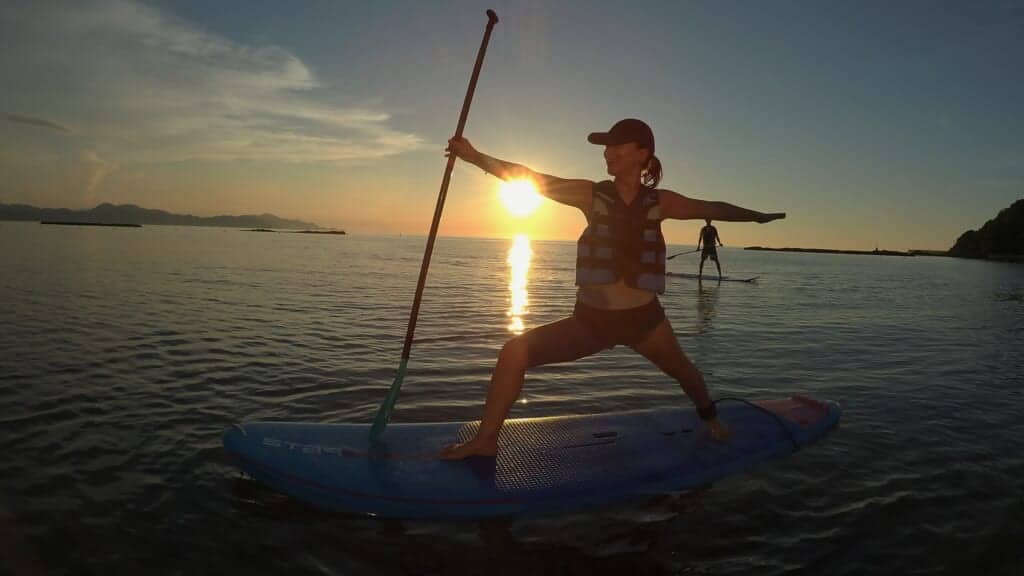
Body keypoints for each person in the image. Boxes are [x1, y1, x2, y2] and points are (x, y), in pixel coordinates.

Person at [440, 119, 785, 459]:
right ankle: (486, 441)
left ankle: (711, 420)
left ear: (642, 153)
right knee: (513, 353)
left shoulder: (661, 202)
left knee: (685, 373)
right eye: (606, 147)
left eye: (616, 146)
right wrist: (474, 156)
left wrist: (756, 217)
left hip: (644, 321)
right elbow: (531, 178)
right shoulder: (591, 195)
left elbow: (711, 208)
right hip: (591, 323)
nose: (607, 153)